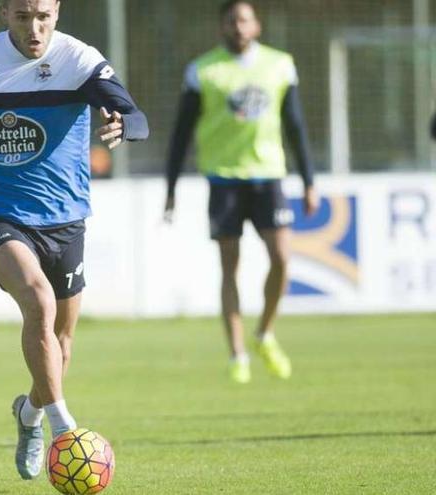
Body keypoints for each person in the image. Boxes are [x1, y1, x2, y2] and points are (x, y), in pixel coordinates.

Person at [0, 0, 148, 481]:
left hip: (66, 223)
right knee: (38, 303)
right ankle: (67, 432)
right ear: (4, 13)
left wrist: (125, 125)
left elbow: (133, 112)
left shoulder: (79, 60)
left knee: (62, 344)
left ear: (57, 12)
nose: (34, 27)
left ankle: (30, 414)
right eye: (23, 16)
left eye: (43, 15)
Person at [164, 0, 319, 384]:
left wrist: (310, 181)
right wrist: (171, 188)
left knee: (281, 258)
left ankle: (264, 333)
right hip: (224, 179)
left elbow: (295, 126)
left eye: (245, 19)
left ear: (257, 26)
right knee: (229, 265)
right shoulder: (203, 70)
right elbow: (181, 133)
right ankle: (237, 353)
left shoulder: (280, 65)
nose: (238, 26)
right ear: (222, 27)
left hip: (269, 176)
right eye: (231, 20)